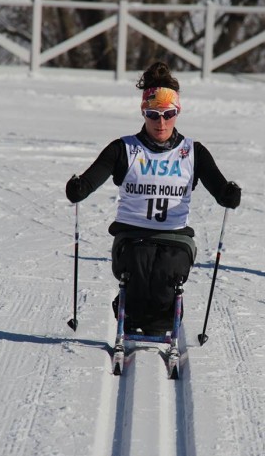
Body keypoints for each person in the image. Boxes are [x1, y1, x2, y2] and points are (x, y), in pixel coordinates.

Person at [66, 61, 241, 335]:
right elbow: (90, 180)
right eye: (153, 114)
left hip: (176, 237)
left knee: (165, 271)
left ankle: (161, 317)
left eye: (168, 114)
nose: (161, 122)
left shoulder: (192, 152)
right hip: (131, 236)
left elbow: (220, 189)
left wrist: (228, 194)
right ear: (143, 113)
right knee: (140, 266)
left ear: (177, 112)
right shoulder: (124, 148)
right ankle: (132, 313)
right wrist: (78, 188)